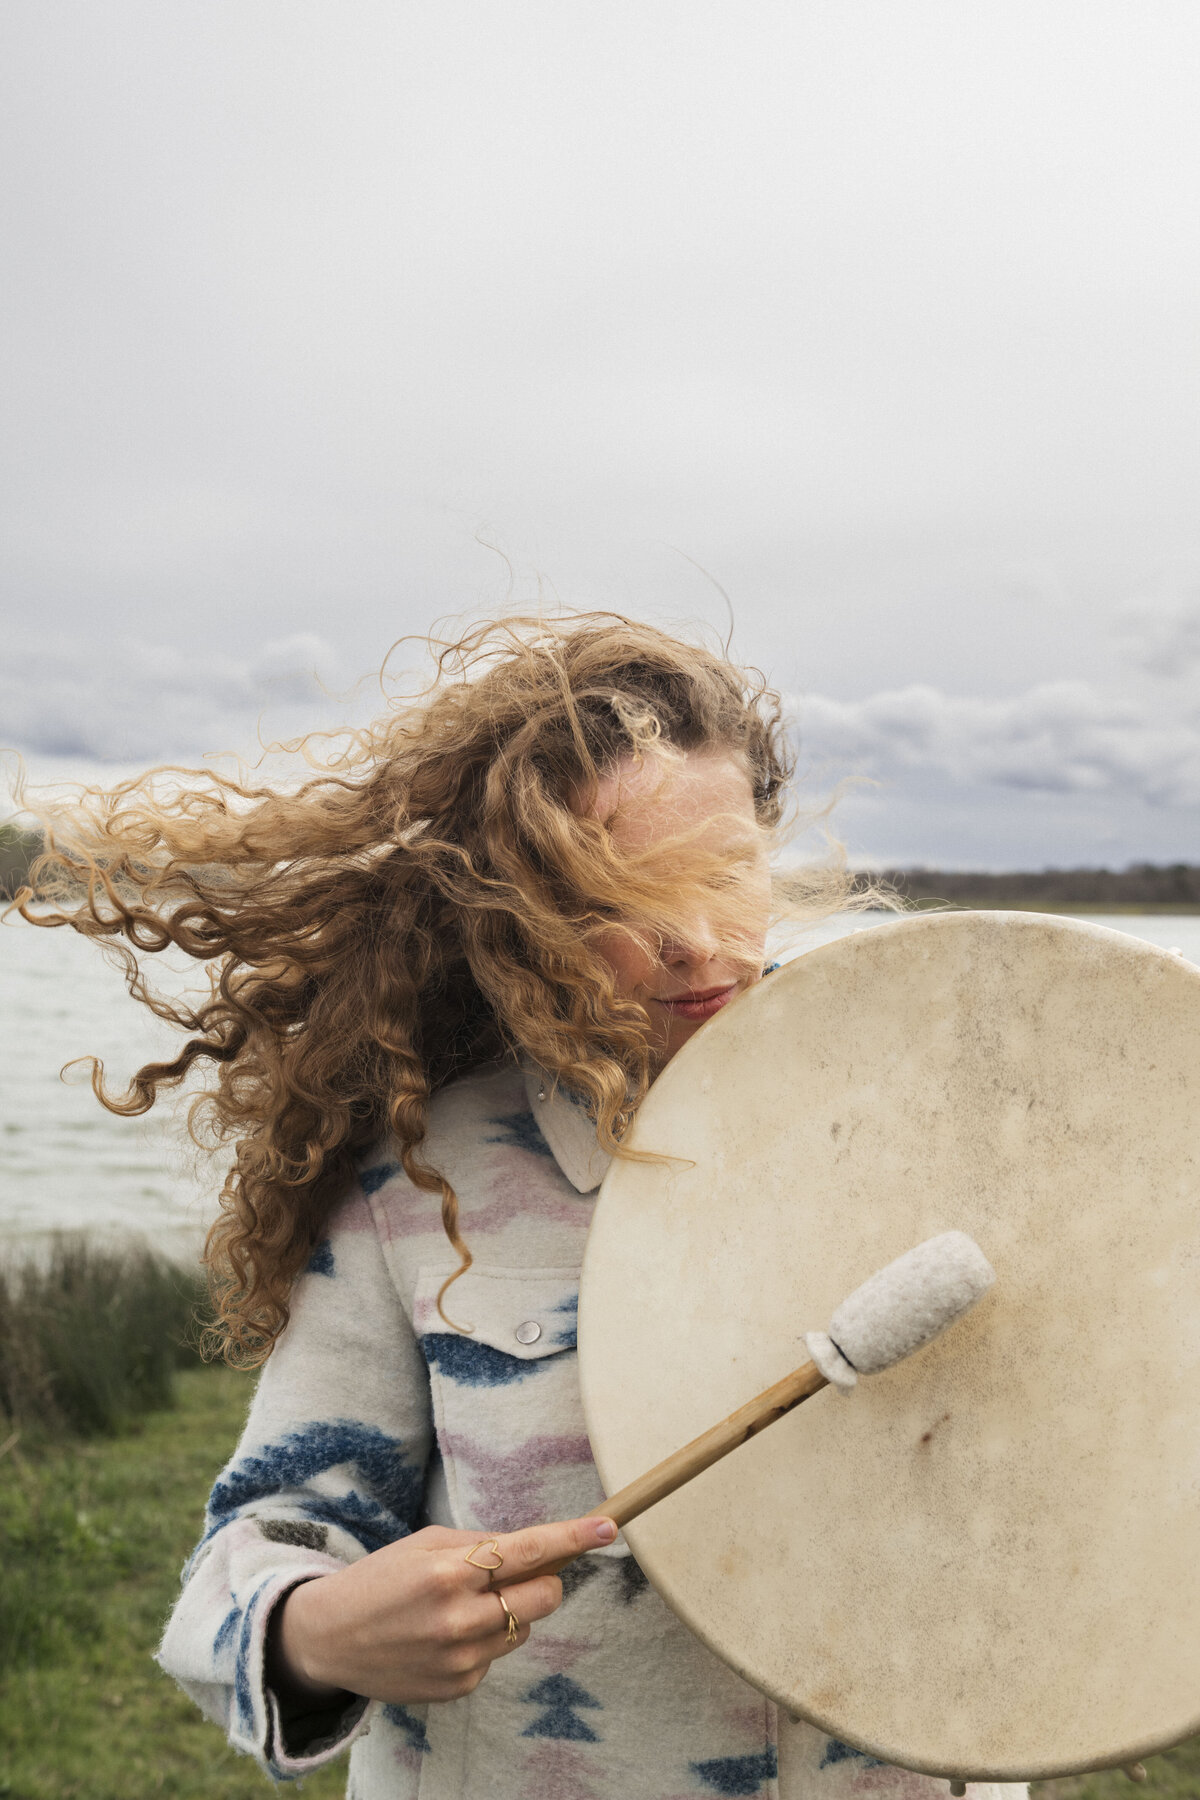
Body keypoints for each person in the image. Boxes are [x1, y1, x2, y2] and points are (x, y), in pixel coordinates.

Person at [25, 615, 1000, 1798]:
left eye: (721, 871)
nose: (695, 942)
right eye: (620, 895)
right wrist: (319, 1635)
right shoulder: (416, 1179)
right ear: (517, 908)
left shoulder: (936, 1104)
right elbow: (260, 1545)